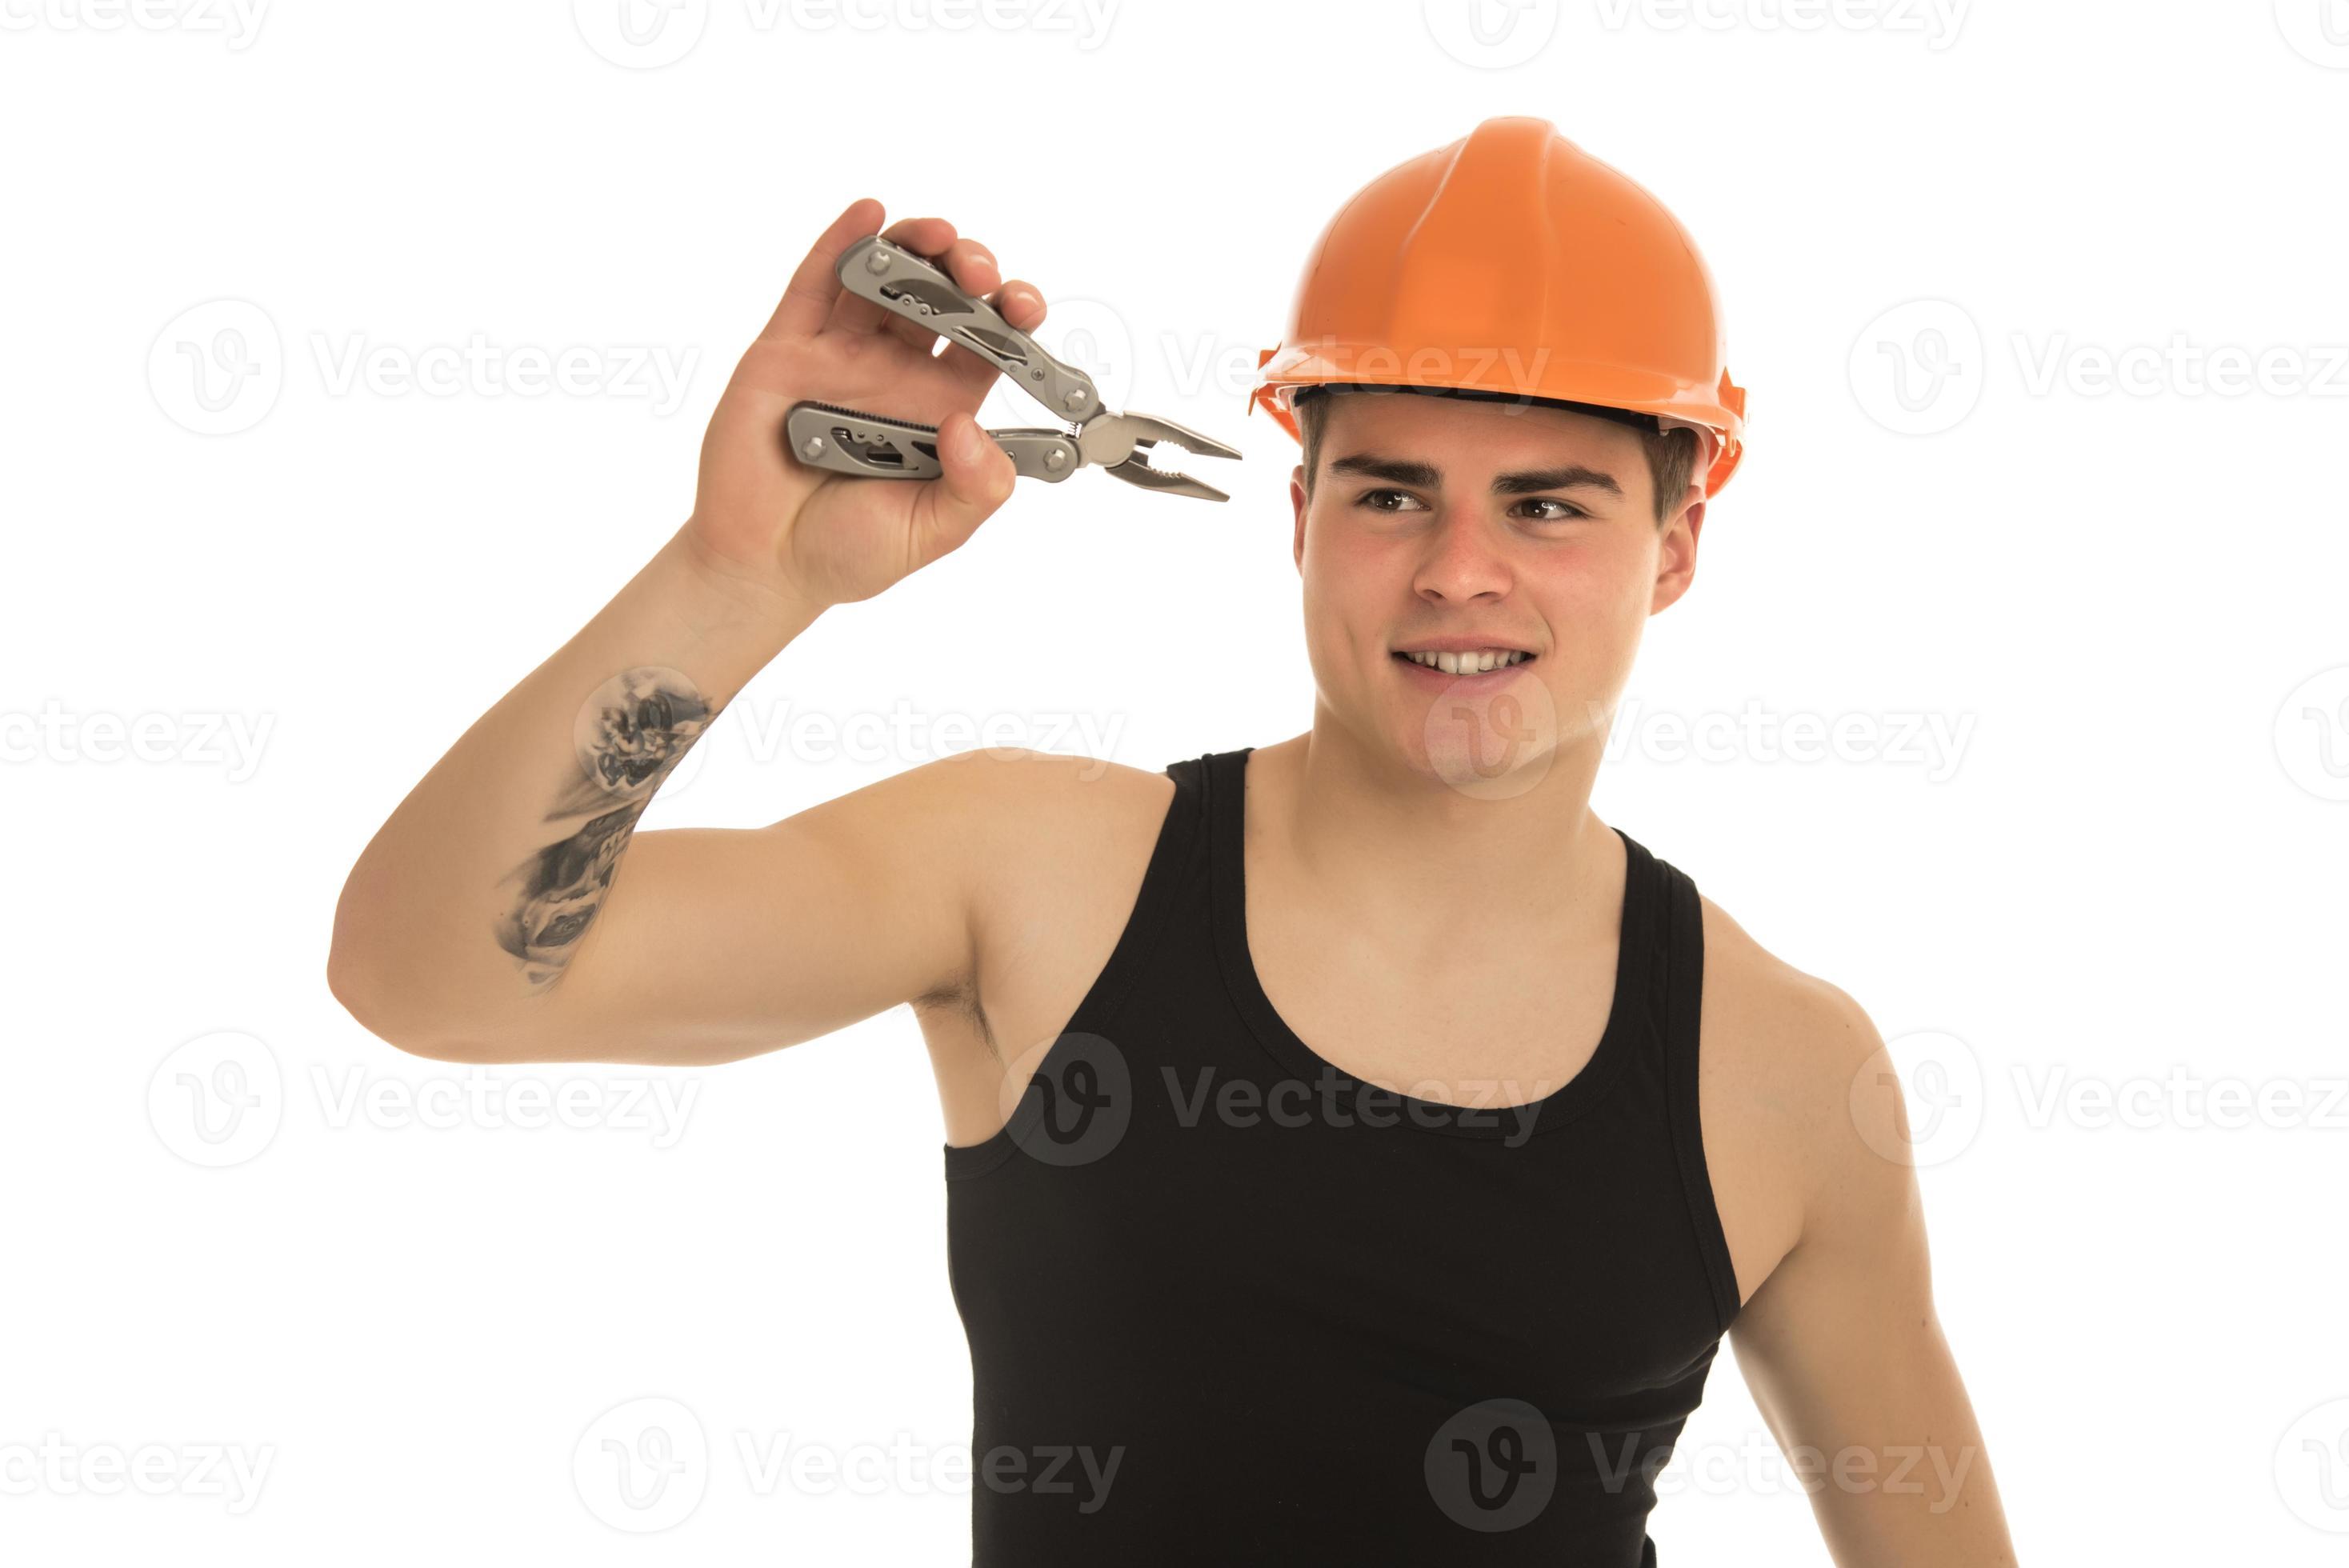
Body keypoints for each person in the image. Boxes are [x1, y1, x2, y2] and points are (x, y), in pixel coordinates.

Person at [328, 117, 2018, 1564]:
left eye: (1548, 503)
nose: (1456, 569)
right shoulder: (1030, 872)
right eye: (1390, 490)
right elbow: (431, 973)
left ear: (1673, 546)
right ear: (1299, 517)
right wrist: (737, 576)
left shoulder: (1782, 1065)